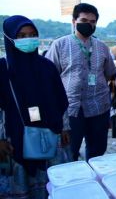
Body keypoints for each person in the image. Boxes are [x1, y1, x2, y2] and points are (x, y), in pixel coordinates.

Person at [0, 15, 69, 198]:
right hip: (14, 139)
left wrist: (64, 127)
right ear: (9, 38)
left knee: (52, 186)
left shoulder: (47, 66)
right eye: (21, 35)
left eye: (32, 34)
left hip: (50, 136)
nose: (28, 39)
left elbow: (60, 99)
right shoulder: (2, 69)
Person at [46, 3, 116, 160]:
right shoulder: (59, 45)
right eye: (84, 20)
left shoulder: (103, 47)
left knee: (98, 152)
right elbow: (51, 77)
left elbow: (108, 74)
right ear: (74, 21)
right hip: (70, 108)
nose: (88, 24)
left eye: (92, 22)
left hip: (98, 106)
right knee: (70, 152)